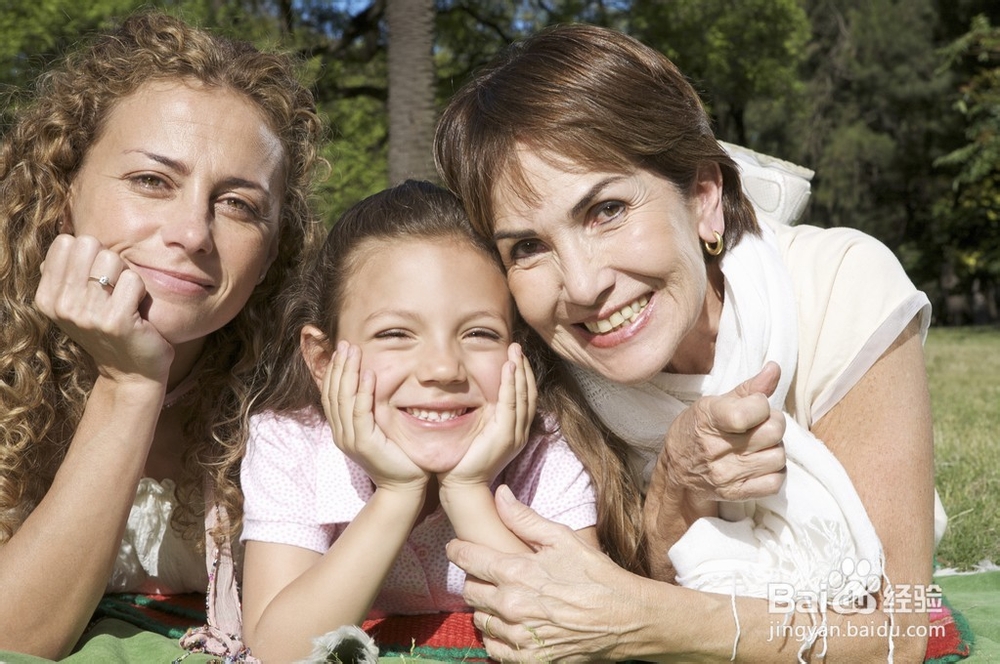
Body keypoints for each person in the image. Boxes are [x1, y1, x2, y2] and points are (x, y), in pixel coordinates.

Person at [434, 24, 938, 662]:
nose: (583, 286)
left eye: (607, 210)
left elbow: (895, 631)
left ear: (703, 197)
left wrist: (638, 620)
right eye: (529, 246)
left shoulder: (839, 284)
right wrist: (675, 483)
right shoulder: (535, 375)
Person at [0, 11, 325, 660]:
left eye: (238, 204)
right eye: (152, 181)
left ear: (273, 252)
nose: (194, 233)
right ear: (63, 193)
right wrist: (129, 384)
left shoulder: (306, 398)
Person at [237, 180, 645, 662]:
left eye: (479, 333)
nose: (443, 369)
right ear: (323, 359)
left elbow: (576, 634)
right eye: (395, 333)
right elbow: (279, 651)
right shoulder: (291, 441)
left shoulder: (546, 446)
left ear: (518, 351)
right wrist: (397, 495)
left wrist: (468, 490)